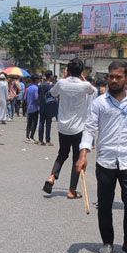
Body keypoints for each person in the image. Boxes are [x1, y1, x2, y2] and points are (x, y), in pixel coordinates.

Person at [76, 61, 127, 253]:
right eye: (111, 76)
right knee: (104, 204)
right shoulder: (99, 103)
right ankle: (108, 242)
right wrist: (83, 154)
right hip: (106, 162)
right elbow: (89, 129)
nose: (113, 80)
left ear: (126, 80)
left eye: (118, 77)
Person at [42, 59, 96, 199]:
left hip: (63, 126)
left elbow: (53, 93)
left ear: (68, 70)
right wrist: (82, 77)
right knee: (76, 158)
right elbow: (93, 91)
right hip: (78, 128)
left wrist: (65, 77)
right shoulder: (85, 85)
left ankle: (52, 176)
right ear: (81, 71)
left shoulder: (61, 83)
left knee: (62, 153)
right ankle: (72, 190)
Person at [38, 71, 55, 146]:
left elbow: (39, 96)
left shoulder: (41, 85)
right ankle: (48, 140)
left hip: (42, 106)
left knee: (41, 123)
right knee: (48, 123)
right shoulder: (51, 86)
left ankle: (40, 140)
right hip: (49, 106)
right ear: (50, 76)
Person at [24, 75, 40, 143]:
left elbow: (25, 98)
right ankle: (32, 136)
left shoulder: (28, 88)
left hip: (29, 107)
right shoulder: (36, 88)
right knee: (34, 123)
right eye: (38, 79)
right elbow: (37, 98)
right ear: (36, 80)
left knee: (29, 122)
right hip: (35, 108)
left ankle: (27, 136)